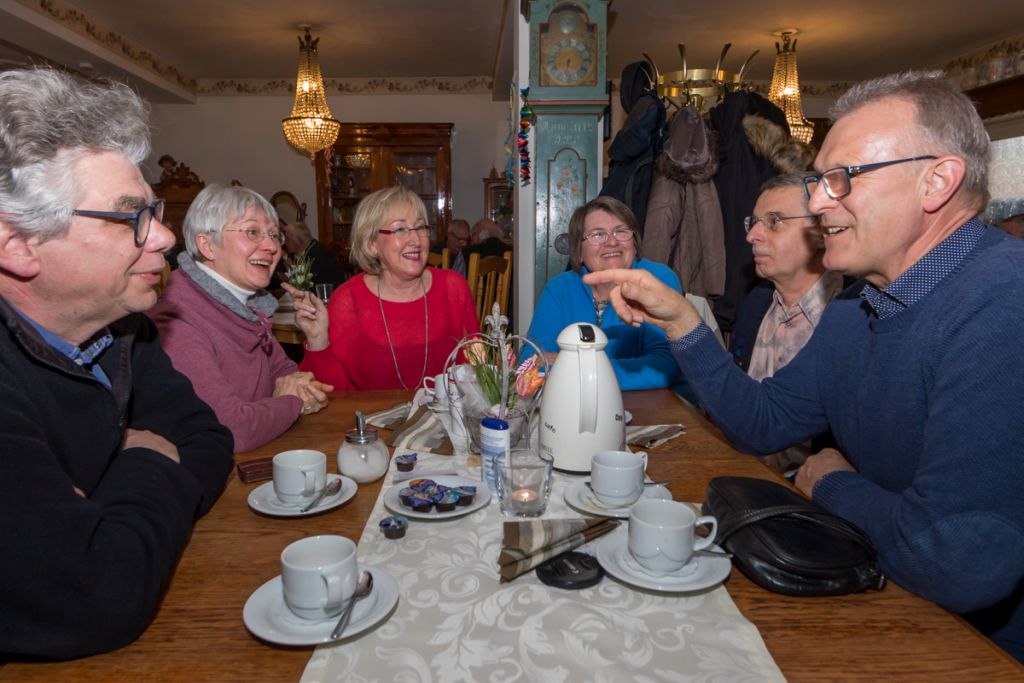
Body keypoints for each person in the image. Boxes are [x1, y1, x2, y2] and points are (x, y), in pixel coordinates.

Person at [585, 71, 1024, 662]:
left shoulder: (1003, 301)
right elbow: (762, 422)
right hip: (879, 591)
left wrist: (830, 482)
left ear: (937, 181)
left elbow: (955, 560)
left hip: (979, 649)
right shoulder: (858, 308)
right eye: (819, 181)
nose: (818, 202)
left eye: (843, 178)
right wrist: (681, 321)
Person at [0, 68, 233, 659]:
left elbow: (210, 442)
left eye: (154, 212)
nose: (166, 237)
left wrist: (102, 508)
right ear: (17, 245)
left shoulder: (122, 328)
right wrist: (148, 458)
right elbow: (96, 598)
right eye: (132, 217)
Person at [148, 184, 333, 452]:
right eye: (252, 232)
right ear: (207, 245)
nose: (271, 246)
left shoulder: (247, 305)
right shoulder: (176, 322)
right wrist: (293, 401)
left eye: (274, 235)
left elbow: (285, 372)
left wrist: (301, 389)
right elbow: (230, 429)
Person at [301, 186, 478, 390]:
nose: (416, 240)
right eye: (400, 229)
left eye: (420, 227)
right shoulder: (348, 300)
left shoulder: (453, 288)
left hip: (447, 410)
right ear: (371, 244)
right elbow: (334, 392)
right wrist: (318, 341)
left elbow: (476, 370)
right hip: (371, 412)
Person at [730, 173, 844, 473]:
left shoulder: (852, 314)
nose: (752, 236)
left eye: (775, 221)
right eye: (754, 222)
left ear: (821, 231)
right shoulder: (756, 302)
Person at [527, 196, 687, 393]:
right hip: (576, 404)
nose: (611, 242)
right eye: (597, 234)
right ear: (579, 252)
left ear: (634, 243)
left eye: (621, 231)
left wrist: (577, 365)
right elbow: (532, 364)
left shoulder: (656, 280)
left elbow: (664, 367)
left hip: (655, 406)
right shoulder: (559, 289)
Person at [280, 217, 348, 286]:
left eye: (287, 239)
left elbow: (300, 284)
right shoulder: (310, 248)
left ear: (299, 240)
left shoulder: (316, 254)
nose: (285, 243)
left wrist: (286, 259)